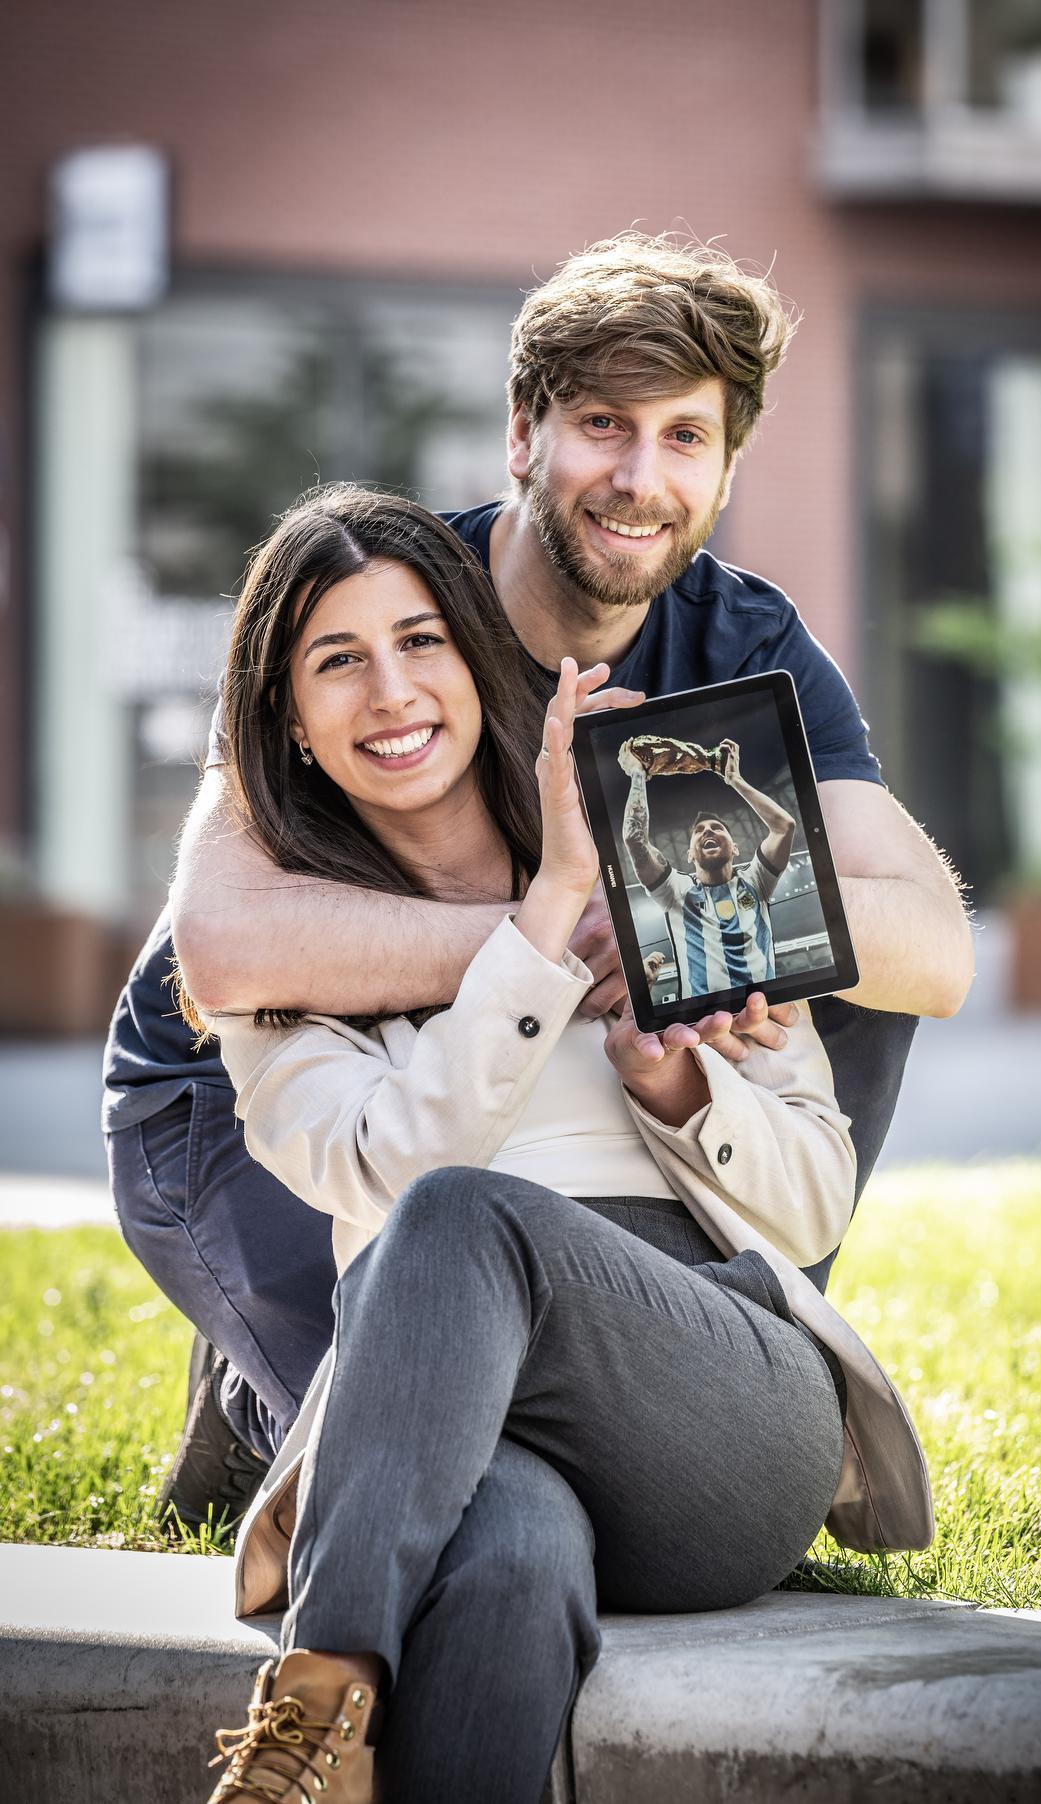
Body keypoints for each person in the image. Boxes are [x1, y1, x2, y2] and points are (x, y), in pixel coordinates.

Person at [101, 232, 973, 1534]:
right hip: (238, 1110)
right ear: (524, 431)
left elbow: (936, 950)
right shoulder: (383, 605)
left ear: (728, 465)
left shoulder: (739, 649)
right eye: (601, 427)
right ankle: (256, 1400)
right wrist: (555, 930)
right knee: (422, 1442)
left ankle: (735, 1318)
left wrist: (697, 924)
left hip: (515, 1118)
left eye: (685, 437)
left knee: (841, 967)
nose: (638, 477)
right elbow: (221, 948)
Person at [191, 486, 931, 1804]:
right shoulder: (296, 954)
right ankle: (334, 1747)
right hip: (484, 1446)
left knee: (466, 1219)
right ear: (289, 720)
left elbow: (815, 1202)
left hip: (721, 1416)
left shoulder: (662, 839)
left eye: (420, 640)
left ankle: (312, 1697)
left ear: (476, 658)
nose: (391, 691)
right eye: (336, 659)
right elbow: (381, 1175)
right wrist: (541, 927)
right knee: (506, 1573)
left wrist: (683, 1093)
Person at [619, 734, 794, 996]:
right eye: (699, 830)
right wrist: (637, 774)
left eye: (716, 828)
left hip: (764, 1014)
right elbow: (634, 838)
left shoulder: (756, 880)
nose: (707, 831)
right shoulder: (675, 890)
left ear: (735, 847)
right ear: (689, 855)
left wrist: (735, 780)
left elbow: (785, 827)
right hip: (699, 1026)